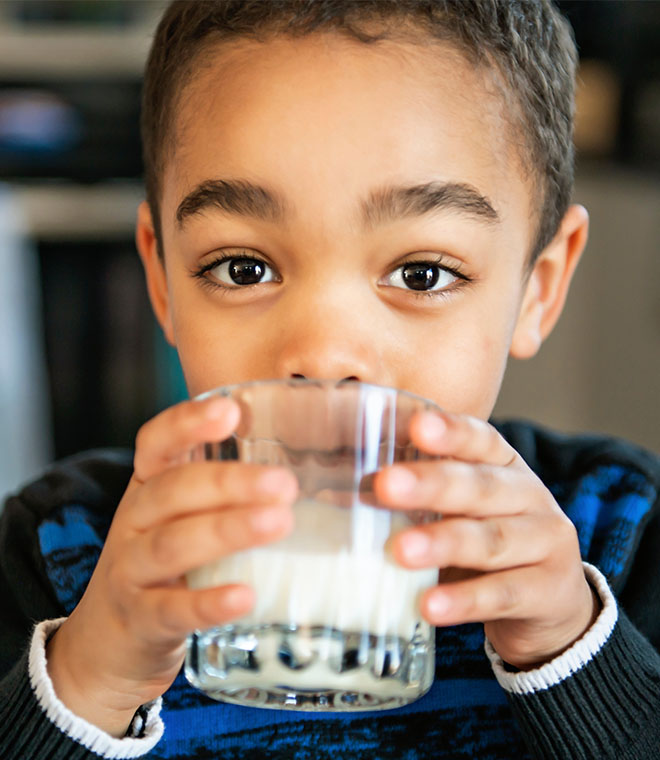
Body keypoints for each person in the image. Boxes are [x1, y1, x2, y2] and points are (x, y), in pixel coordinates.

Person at [1, 1, 658, 758]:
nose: (323, 354)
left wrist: (573, 654)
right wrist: (89, 684)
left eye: (422, 272)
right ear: (161, 278)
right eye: (242, 268)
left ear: (537, 287)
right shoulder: (62, 555)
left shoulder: (621, 533)